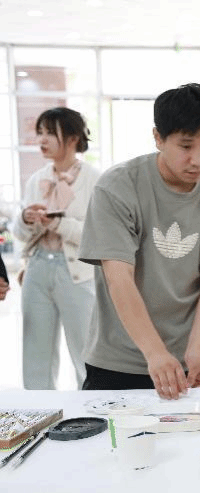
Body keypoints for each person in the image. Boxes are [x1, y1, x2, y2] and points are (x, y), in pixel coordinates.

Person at [78, 83, 200, 400]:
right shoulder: (117, 187)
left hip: (197, 361)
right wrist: (155, 353)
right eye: (186, 146)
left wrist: (197, 349)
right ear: (158, 138)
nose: (198, 159)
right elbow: (119, 279)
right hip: (120, 360)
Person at [12, 107, 100, 390]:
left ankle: (91, 408)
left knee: (85, 351)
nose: (42, 139)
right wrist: (26, 219)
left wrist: (59, 224)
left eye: (50, 133)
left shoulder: (94, 179)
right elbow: (19, 234)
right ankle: (39, 411)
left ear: (73, 138)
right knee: (35, 352)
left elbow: (98, 234)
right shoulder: (36, 179)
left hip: (76, 272)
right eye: (40, 132)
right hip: (37, 267)